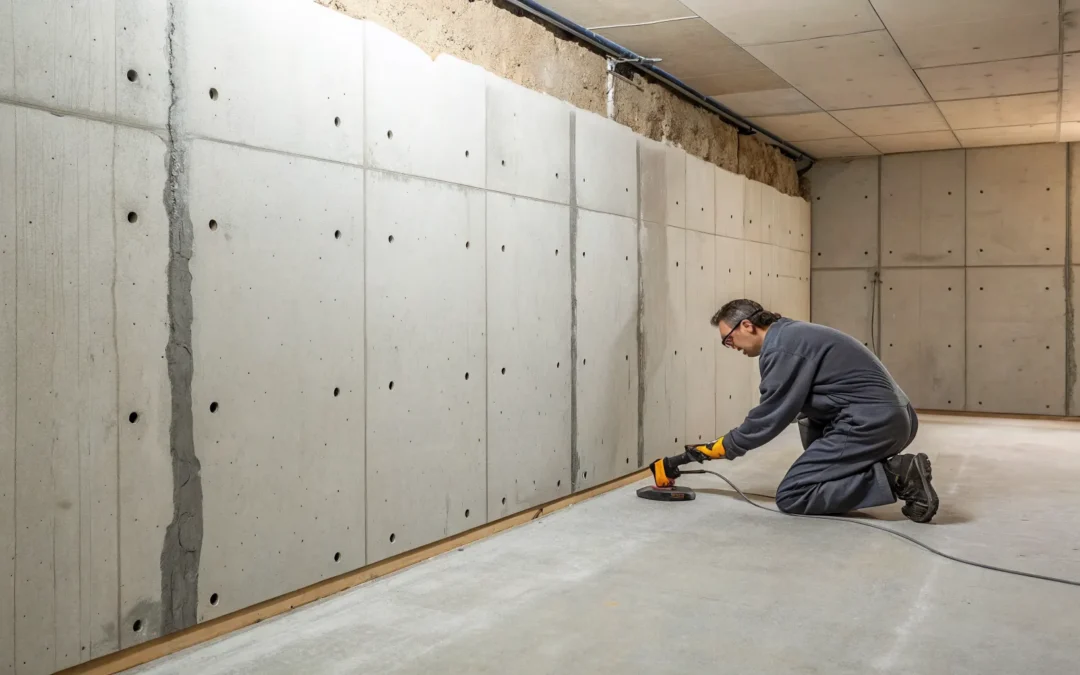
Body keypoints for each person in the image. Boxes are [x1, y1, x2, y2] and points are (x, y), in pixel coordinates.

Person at [698, 298, 939, 523]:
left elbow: (769, 417)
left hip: (869, 424)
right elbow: (793, 409)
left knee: (794, 494)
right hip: (894, 419)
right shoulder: (791, 334)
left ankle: (896, 476)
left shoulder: (781, 348)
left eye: (728, 339)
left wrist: (722, 447)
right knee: (807, 421)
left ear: (747, 325)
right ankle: (889, 474)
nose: (730, 346)